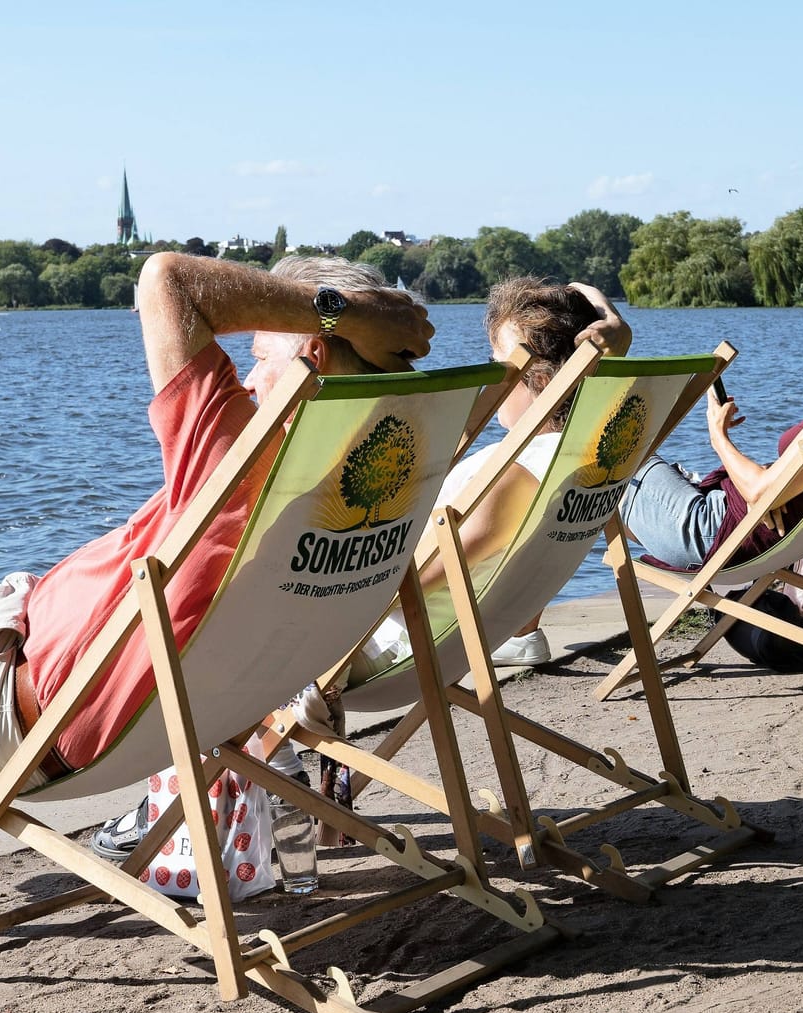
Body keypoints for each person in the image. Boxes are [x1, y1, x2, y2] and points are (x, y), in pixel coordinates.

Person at [0, 254, 433, 939]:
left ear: (314, 354)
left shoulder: (233, 459)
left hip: (10, 713)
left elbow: (167, 281)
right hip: (150, 718)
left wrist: (345, 311)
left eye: (262, 359)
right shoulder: (380, 488)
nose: (246, 374)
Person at [87, 277, 630, 861]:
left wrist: (358, 579)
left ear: (542, 376)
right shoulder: (592, 444)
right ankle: (256, 797)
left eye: (505, 361)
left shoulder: (526, 463)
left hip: (369, 636)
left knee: (226, 636)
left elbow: (463, 543)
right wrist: (613, 331)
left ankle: (184, 811)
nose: (498, 374)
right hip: (461, 631)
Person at [614, 256, 803, 572]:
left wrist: (718, 436)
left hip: (717, 535)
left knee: (616, 459)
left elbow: (761, 492)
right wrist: (777, 487)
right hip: (769, 535)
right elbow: (781, 489)